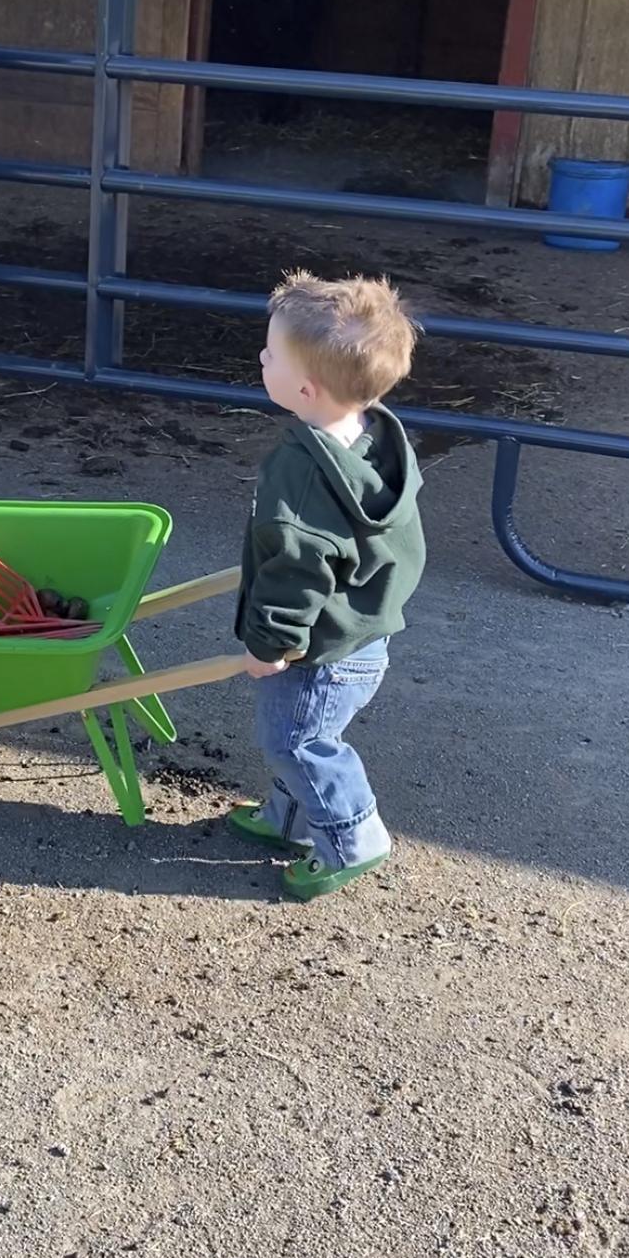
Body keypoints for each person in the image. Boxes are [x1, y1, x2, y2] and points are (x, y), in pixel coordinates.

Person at [230, 272, 426, 901]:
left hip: (319, 651)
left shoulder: (301, 473)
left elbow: (298, 570)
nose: (262, 357)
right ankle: (290, 820)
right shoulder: (375, 437)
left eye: (271, 355)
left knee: (298, 741)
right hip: (363, 632)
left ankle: (351, 838)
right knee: (295, 737)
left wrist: (270, 644)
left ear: (306, 387)